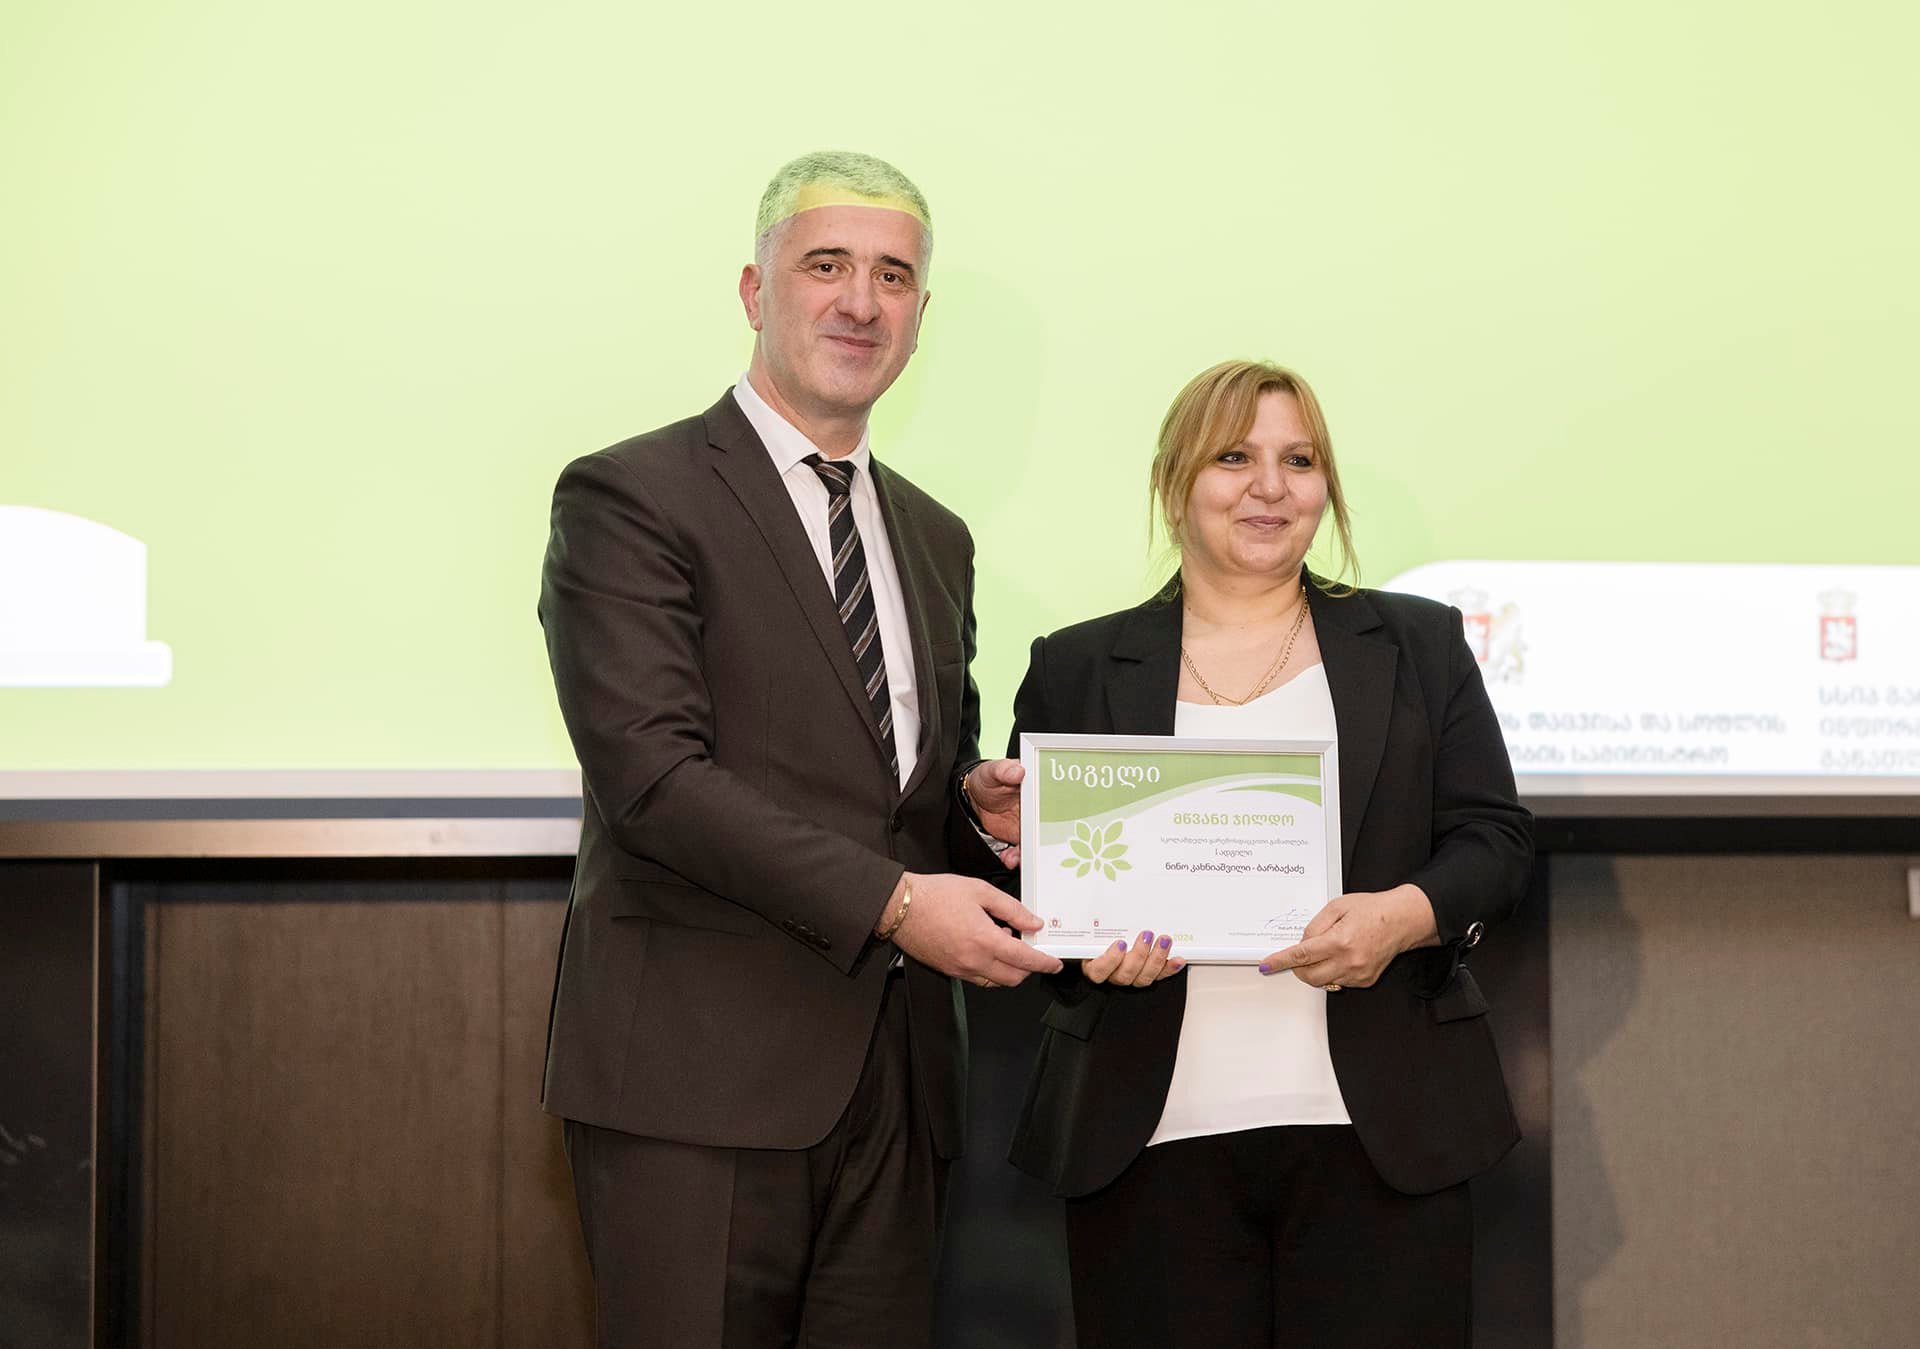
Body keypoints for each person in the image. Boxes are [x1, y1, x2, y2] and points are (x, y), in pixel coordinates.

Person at [537, 150, 1061, 1349]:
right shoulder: (631, 495)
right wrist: (896, 902)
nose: (861, 301)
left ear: (920, 314)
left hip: (903, 1089)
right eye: (826, 265)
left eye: (894, 276)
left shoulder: (935, 535)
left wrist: (976, 810)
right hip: (696, 1083)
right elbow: (654, 781)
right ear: (753, 289)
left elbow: (903, 795)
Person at [992, 359, 1533, 1347]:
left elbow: (1495, 840)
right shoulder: (1077, 665)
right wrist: (1080, 948)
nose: (1271, 487)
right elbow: (1037, 882)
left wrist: (1400, 917)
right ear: (1176, 480)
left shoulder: (1417, 643)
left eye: (1300, 460)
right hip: (1146, 1137)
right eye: (1234, 457)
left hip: (1381, 1131)